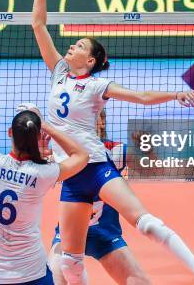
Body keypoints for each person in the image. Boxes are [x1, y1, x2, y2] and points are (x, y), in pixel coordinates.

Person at [32, 0, 194, 285]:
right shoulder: (59, 71)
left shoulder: (97, 84)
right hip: (70, 177)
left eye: (79, 46)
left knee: (145, 222)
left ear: (90, 61)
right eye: (72, 45)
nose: (71, 48)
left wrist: (175, 94)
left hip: (94, 165)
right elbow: (38, 23)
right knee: (71, 262)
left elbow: (142, 97)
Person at [0, 89, 89, 285]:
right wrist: (47, 126)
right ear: (38, 136)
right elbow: (81, 156)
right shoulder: (43, 173)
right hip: (32, 272)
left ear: (10, 133)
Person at [49, 109, 150, 285]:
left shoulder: (117, 151)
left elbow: (151, 170)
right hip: (68, 235)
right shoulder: (64, 155)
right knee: (56, 280)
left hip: (105, 236)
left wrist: (147, 150)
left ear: (101, 122)